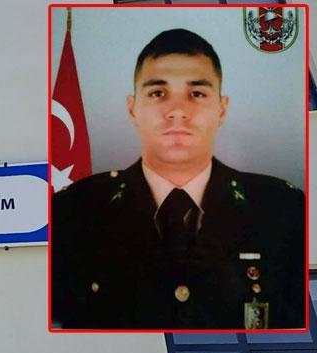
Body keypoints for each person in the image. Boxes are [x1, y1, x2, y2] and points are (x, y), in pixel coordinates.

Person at [51, 28, 305, 330]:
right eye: (158, 93)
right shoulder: (74, 210)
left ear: (222, 109)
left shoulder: (282, 208)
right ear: (133, 109)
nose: (177, 111)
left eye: (197, 93)